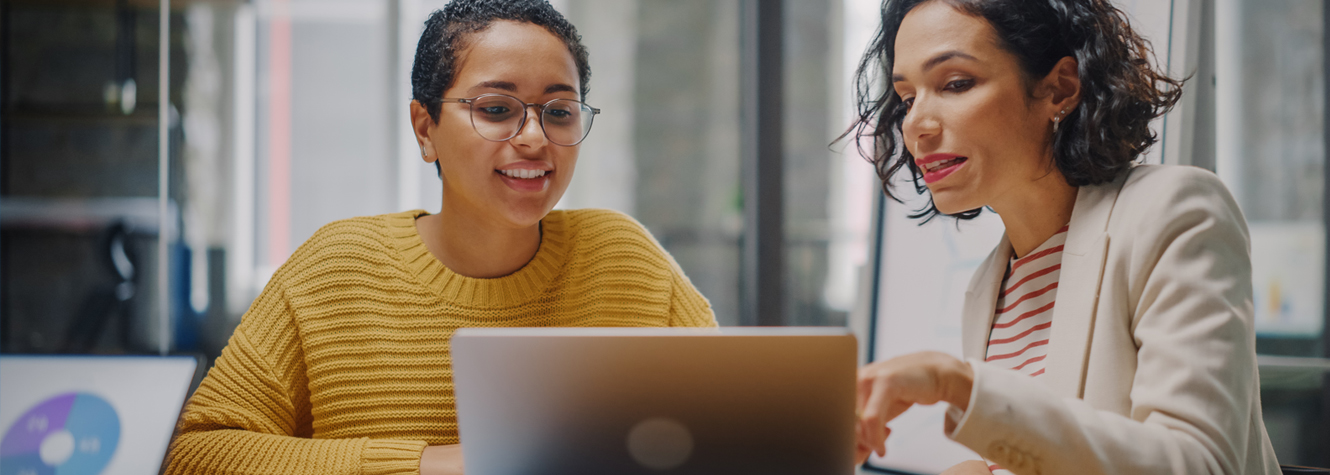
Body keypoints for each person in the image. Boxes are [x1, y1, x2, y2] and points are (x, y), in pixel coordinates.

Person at [164, 1, 717, 474]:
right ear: (425, 128)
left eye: (559, 111)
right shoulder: (335, 269)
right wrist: (430, 464)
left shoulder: (627, 259)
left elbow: (736, 426)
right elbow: (197, 455)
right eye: (496, 109)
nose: (533, 138)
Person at [847, 0, 1281, 474]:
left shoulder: (1176, 213)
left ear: (1060, 88)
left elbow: (1199, 465)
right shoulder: (989, 286)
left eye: (955, 84)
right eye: (908, 99)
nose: (916, 125)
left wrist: (960, 387)